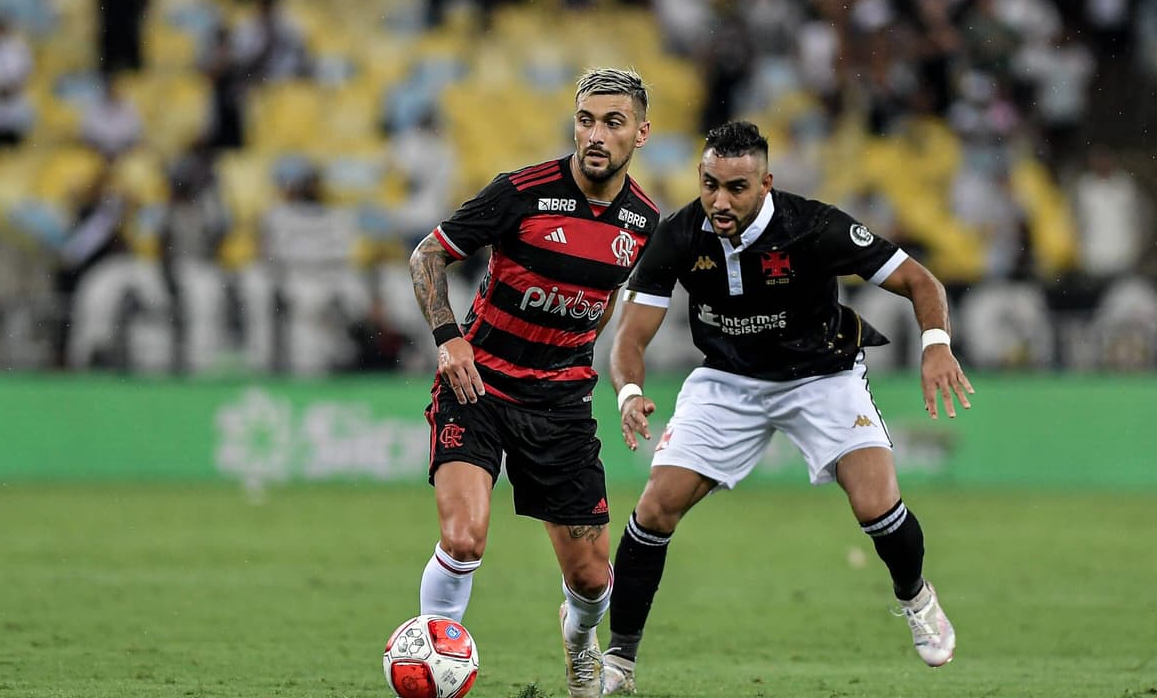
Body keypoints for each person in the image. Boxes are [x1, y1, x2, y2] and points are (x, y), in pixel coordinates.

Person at [600, 120, 973, 695]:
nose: (719, 201)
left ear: (766, 183)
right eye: (709, 184)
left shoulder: (816, 228)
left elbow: (923, 283)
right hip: (728, 381)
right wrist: (628, 392)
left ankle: (916, 596)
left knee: (877, 506)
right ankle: (619, 664)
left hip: (820, 374)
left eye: (736, 188)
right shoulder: (678, 234)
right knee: (654, 510)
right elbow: (628, 338)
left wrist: (936, 347)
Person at [407, 68, 661, 698]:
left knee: (594, 579)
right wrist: (448, 338)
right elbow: (427, 255)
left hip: (561, 404)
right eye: (586, 120)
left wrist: (623, 388)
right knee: (463, 537)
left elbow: (607, 311)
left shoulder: (644, 225)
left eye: (612, 122)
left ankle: (580, 647)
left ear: (642, 133)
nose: (595, 134)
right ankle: (433, 667)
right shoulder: (520, 192)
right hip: (479, 387)